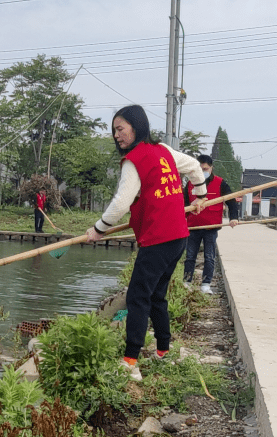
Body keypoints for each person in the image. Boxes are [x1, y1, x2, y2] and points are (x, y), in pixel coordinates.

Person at [86, 105, 207, 382]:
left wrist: (98, 230)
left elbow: (120, 204)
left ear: (136, 126)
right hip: (178, 237)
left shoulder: (134, 160)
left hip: (159, 239)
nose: (117, 135)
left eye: (121, 129)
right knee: (156, 295)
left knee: (138, 297)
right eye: (114, 131)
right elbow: (192, 166)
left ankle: (130, 361)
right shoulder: (162, 150)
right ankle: (164, 349)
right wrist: (199, 194)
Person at [183, 155, 239, 294]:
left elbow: (231, 201)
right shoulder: (190, 183)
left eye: (205, 169)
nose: (203, 171)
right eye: (200, 169)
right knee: (190, 256)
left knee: (209, 256)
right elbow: (183, 204)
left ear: (211, 168)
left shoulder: (220, 183)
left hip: (211, 227)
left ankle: (206, 284)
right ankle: (187, 282)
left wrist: (234, 217)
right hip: (193, 226)